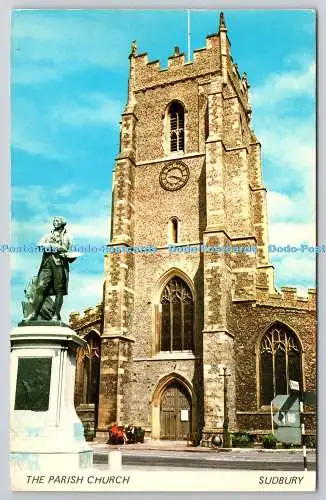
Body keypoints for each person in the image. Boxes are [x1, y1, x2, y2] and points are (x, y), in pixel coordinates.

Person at [23, 216, 73, 322]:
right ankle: (34, 314)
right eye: (54, 221)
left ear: (63, 223)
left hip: (59, 264)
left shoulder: (67, 236)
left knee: (59, 290)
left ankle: (55, 315)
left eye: (57, 221)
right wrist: (48, 245)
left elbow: (66, 248)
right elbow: (39, 244)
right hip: (46, 264)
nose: (55, 223)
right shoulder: (48, 235)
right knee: (40, 287)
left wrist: (56, 247)